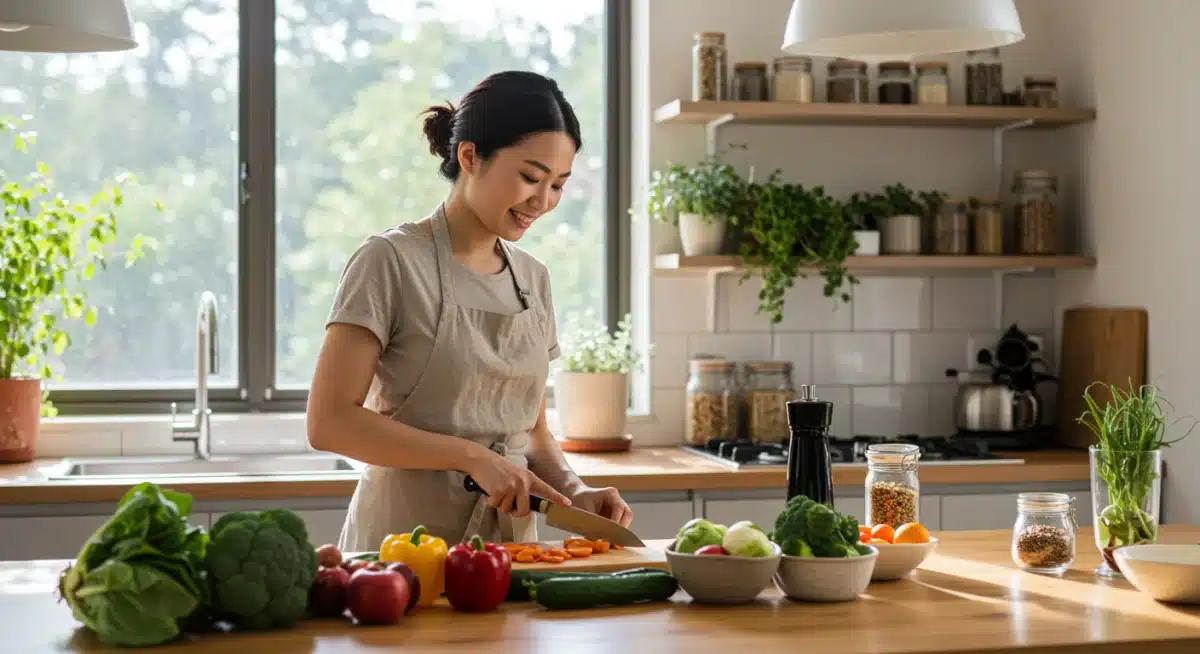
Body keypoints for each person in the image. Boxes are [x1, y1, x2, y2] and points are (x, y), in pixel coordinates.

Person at [307, 70, 633, 552]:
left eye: (559, 185)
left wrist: (574, 490)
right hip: (400, 554)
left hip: (509, 555)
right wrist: (469, 457)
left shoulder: (533, 279)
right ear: (469, 156)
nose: (542, 202)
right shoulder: (389, 261)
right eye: (530, 177)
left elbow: (531, 430)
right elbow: (328, 422)